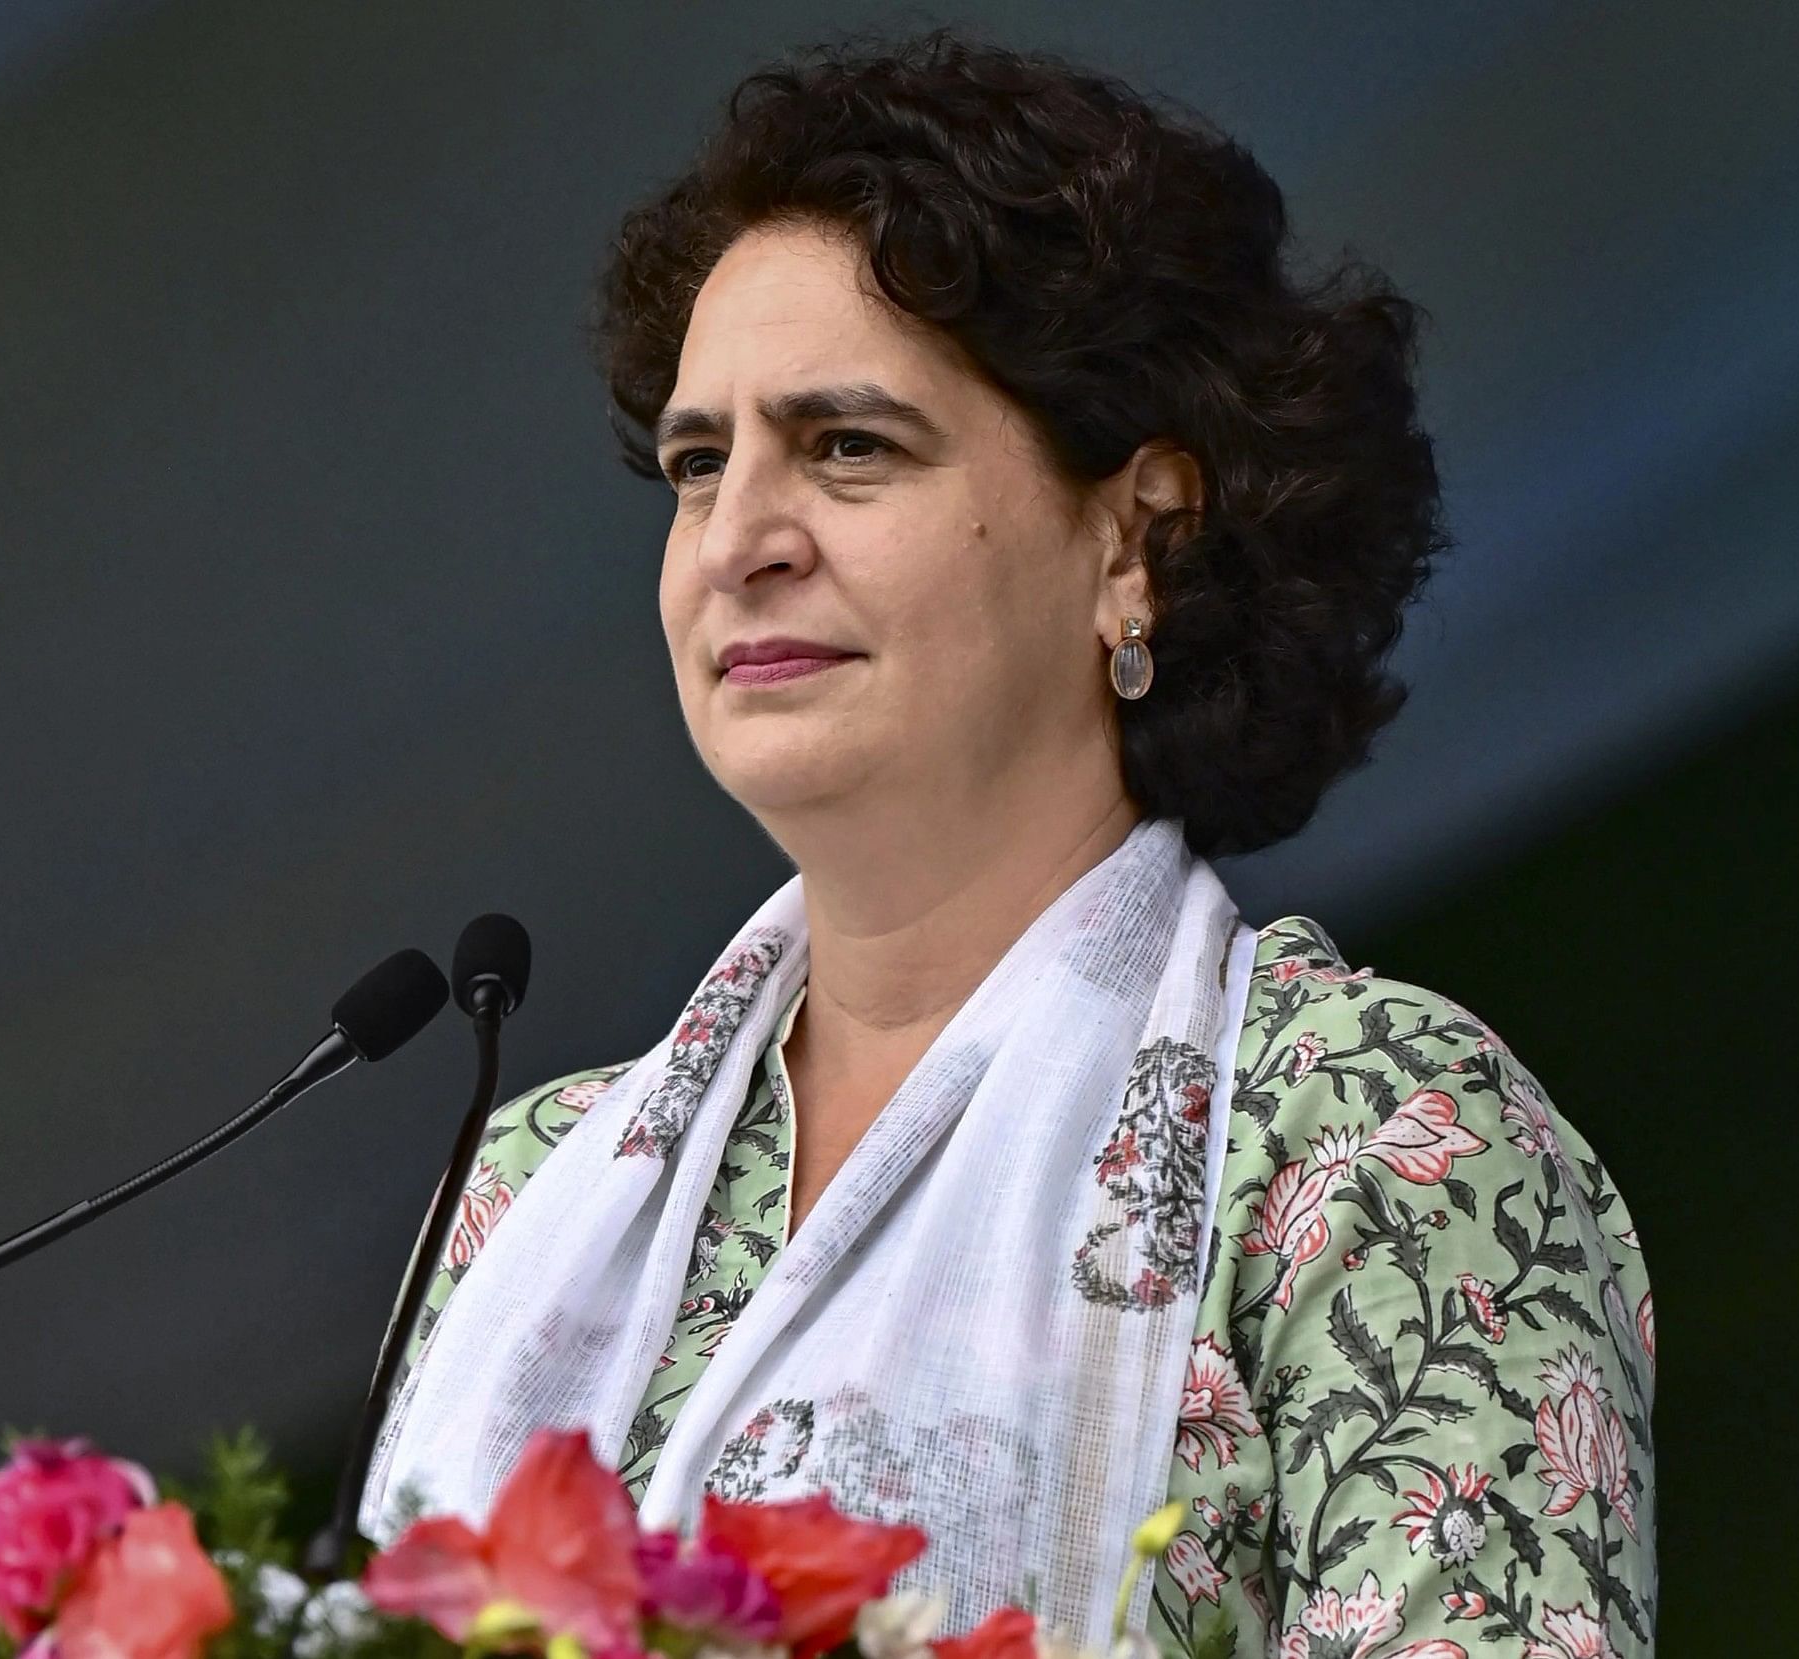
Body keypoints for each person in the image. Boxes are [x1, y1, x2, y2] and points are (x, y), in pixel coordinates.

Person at [361, 31, 1653, 1659]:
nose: (739, 542)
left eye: (846, 447)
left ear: (1136, 539)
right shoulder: (522, 1194)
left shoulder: (1366, 1144)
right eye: (699, 466)